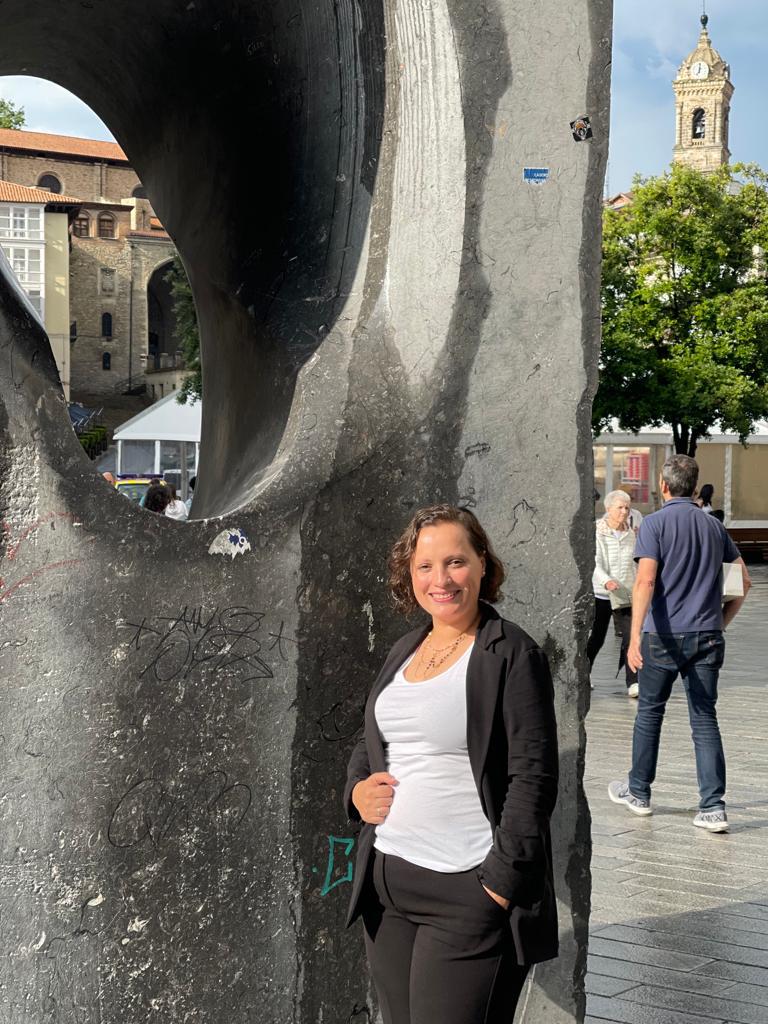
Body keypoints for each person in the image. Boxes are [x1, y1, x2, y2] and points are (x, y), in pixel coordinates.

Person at [343, 505, 559, 1024]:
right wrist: (355, 790)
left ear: (483, 564)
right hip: (388, 885)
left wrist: (498, 886)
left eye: (455, 562)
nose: (440, 579)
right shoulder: (406, 647)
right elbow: (374, 736)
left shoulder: (510, 653)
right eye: (425, 566)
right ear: (409, 574)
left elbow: (533, 777)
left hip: (467, 892)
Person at [609, 454, 751, 833]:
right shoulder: (713, 526)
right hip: (707, 636)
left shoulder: (654, 524)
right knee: (704, 719)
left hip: (661, 636)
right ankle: (713, 807)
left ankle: (639, 792)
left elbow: (645, 582)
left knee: (650, 714)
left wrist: (633, 635)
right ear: (693, 484)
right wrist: (720, 622)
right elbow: (744, 582)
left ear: (664, 485)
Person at [587, 490, 638, 697]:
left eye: (627, 507)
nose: (624, 512)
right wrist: (606, 580)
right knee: (597, 637)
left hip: (625, 594)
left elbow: (635, 562)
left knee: (630, 637)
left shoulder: (632, 533)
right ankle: (584, 672)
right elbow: (593, 561)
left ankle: (633, 682)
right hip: (602, 592)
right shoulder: (597, 531)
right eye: (620, 507)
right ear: (608, 509)